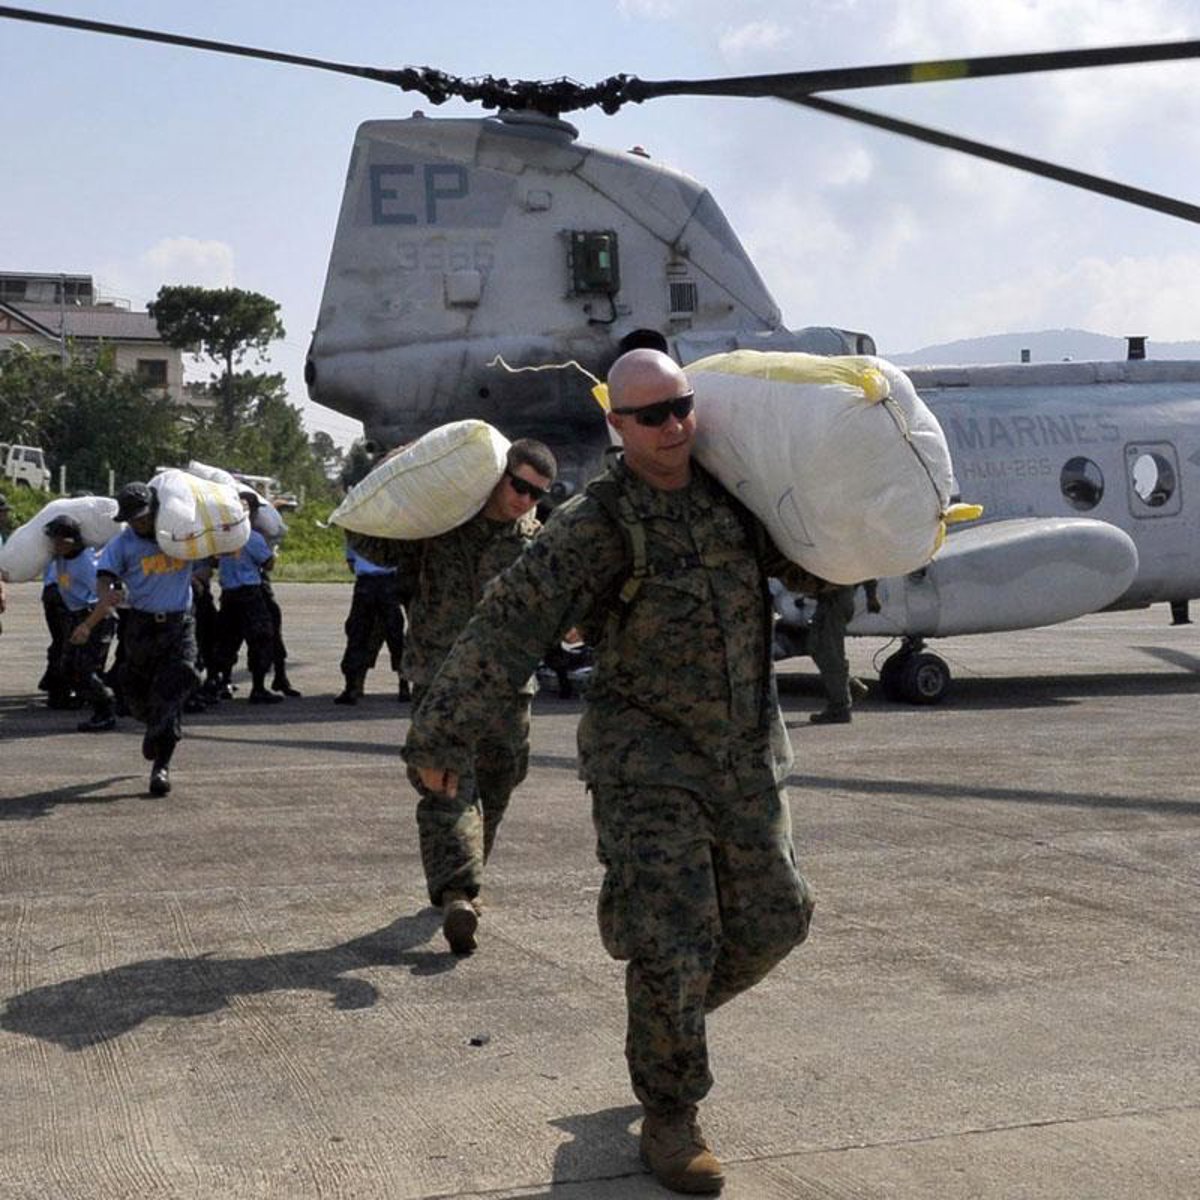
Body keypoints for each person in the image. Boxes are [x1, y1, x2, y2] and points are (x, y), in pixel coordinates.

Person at [403, 349, 814, 1195]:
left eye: (682, 406)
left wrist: (885, 523)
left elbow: (815, 561)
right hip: (646, 762)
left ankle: (664, 1022)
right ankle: (671, 1111)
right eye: (651, 415)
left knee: (779, 919)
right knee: (675, 939)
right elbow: (508, 623)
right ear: (617, 425)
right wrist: (441, 735)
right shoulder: (597, 524)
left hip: (746, 753)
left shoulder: (734, 498)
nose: (674, 426)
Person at [350, 438, 557, 956]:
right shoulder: (442, 524)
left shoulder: (536, 543)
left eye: (536, 494)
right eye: (518, 486)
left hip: (507, 685)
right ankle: (458, 893)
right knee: (445, 783)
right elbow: (371, 539)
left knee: (501, 779)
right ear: (498, 475)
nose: (524, 499)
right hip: (441, 678)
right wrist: (387, 472)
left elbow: (560, 603)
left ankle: (467, 873)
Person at [71, 481, 201, 797]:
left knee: (180, 678)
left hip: (178, 624)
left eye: (142, 516)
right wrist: (106, 598)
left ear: (156, 510)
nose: (138, 523)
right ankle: (153, 724)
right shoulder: (123, 544)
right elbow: (104, 578)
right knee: (138, 696)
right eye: (132, 519)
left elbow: (210, 552)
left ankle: (161, 767)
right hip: (142, 627)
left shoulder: (178, 536)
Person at [45, 515, 117, 732]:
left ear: (73, 541)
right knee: (68, 667)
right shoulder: (60, 558)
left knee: (85, 669)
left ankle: (107, 709)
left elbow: (106, 600)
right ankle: (100, 701)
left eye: (60, 541)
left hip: (95, 617)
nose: (56, 545)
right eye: (54, 541)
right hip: (75, 616)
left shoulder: (86, 564)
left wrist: (87, 626)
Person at [212, 507, 283, 705]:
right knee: (260, 639)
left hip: (228, 596)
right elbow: (268, 564)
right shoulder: (251, 537)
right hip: (250, 594)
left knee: (227, 641)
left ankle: (223, 682)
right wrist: (273, 553)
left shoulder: (220, 537)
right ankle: (258, 688)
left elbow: (214, 562)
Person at [334, 544, 409, 705]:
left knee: (358, 634)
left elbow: (351, 563)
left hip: (365, 584)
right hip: (388, 582)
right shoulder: (391, 532)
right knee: (395, 635)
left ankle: (352, 687)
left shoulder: (356, 533)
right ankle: (404, 685)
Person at [807, 579, 878, 725]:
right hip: (828, 600)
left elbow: (865, 569)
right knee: (817, 647)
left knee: (830, 653)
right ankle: (849, 688)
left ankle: (840, 708)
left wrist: (872, 597)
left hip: (836, 601)